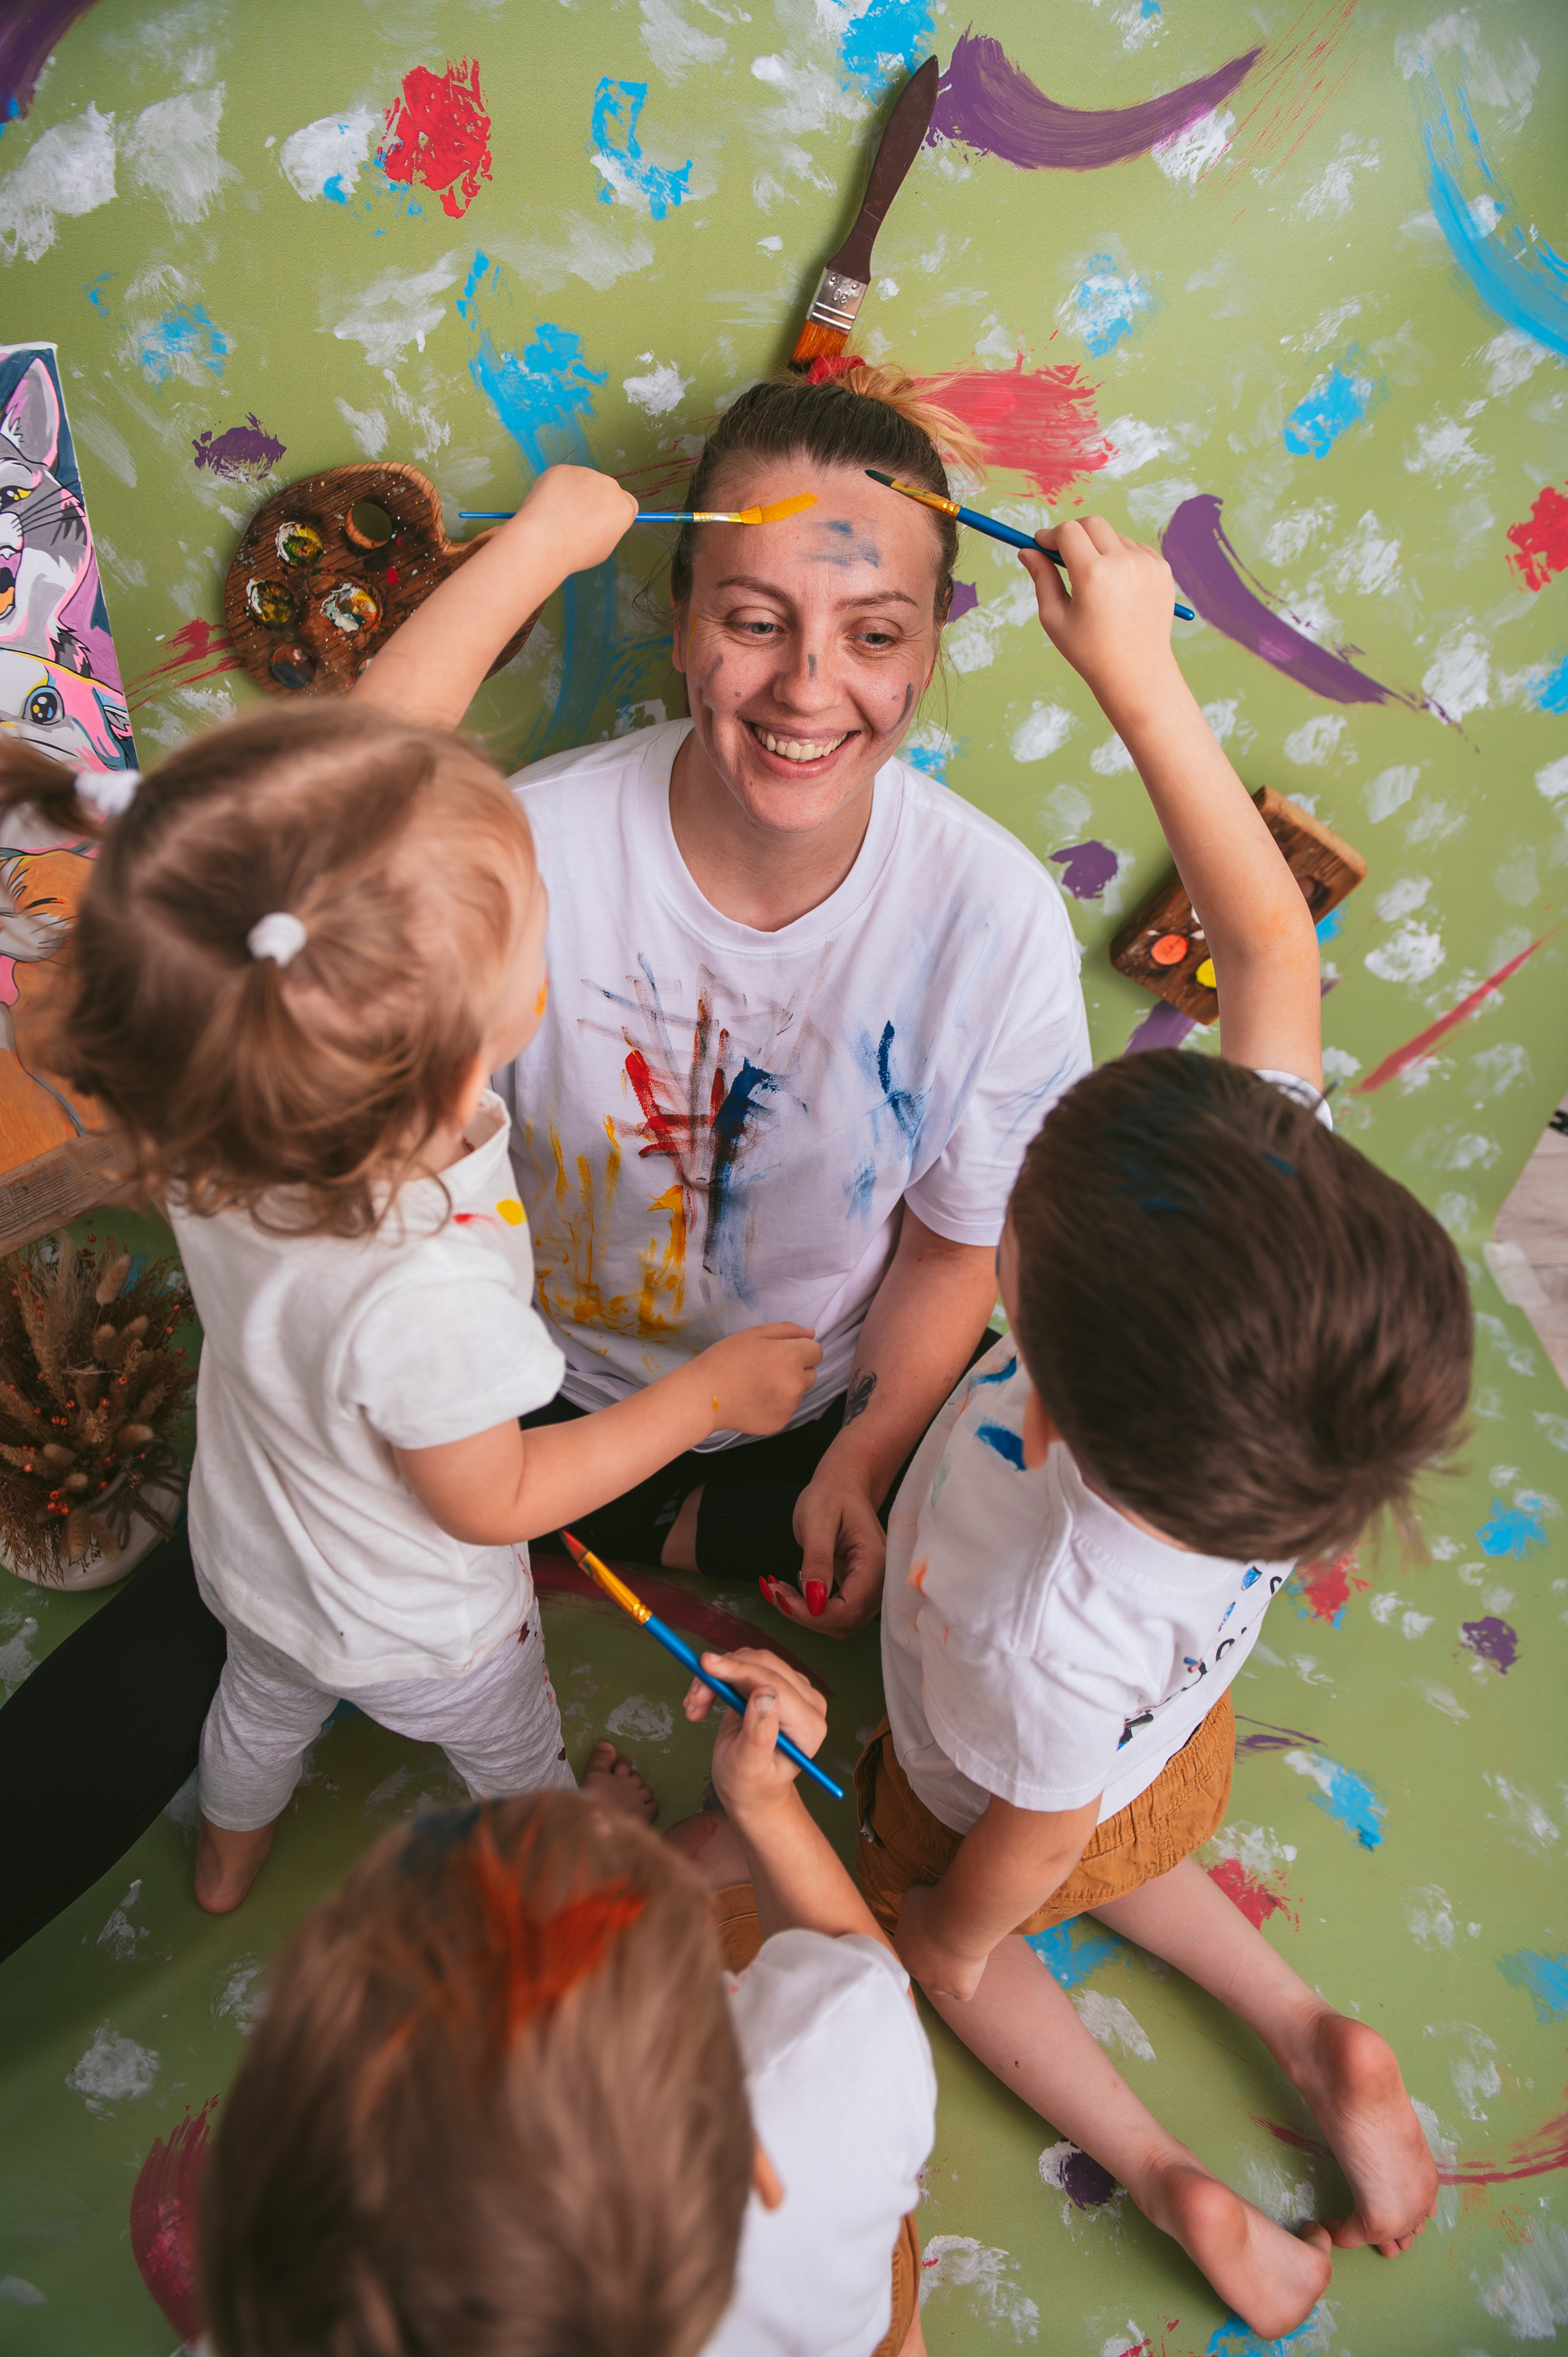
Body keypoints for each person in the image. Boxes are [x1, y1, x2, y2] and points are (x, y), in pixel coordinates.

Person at [1, 469, 824, 1914]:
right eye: (532, 929)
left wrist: (541, 549)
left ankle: (226, 1850)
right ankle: (565, 1841)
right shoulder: (425, 1283)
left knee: (256, 1714)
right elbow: (496, 1497)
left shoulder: (224, 1105)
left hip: (250, 1554)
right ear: (468, 1052)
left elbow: (364, 756)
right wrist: (708, 1395)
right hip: (424, 1630)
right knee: (510, 1746)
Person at [850, 516, 1475, 2336]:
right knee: (1131, 1833)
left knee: (965, 1928)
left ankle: (1163, 2167)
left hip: (1009, 1782)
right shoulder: (1266, 1305)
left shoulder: (1035, 1618)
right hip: (1168, 1736)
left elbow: (1030, 1844)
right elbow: (1269, 943)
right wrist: (1135, 671)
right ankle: (1306, 2027)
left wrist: (953, 1933)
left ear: (1037, 1405)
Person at [352, 358, 1092, 1634]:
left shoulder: (999, 920)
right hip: (540, 1388)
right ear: (682, 613)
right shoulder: (524, 848)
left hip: (822, 1408)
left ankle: (672, 1518)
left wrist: (857, 1464)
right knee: (362, 1505)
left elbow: (954, 1242)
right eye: (754, 622)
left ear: (930, 643)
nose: (808, 688)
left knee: (1004, 1547)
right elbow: (334, 828)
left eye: (873, 634)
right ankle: (640, 1515)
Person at [197, 1650, 937, 2357]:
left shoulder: (298, 2311)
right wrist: (765, 1805)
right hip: (829, 2306)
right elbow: (860, 1981)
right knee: (710, 1849)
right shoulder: (814, 2083)